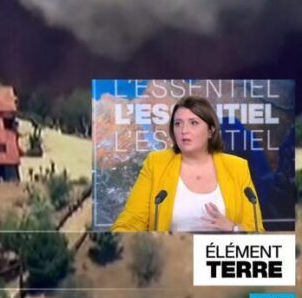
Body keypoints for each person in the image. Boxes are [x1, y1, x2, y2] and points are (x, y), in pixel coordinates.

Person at [112, 96, 263, 232]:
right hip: (171, 258)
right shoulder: (156, 164)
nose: (184, 130)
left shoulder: (237, 168)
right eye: (178, 124)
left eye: (194, 123)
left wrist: (233, 228)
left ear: (211, 131)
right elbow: (132, 221)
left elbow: (256, 229)